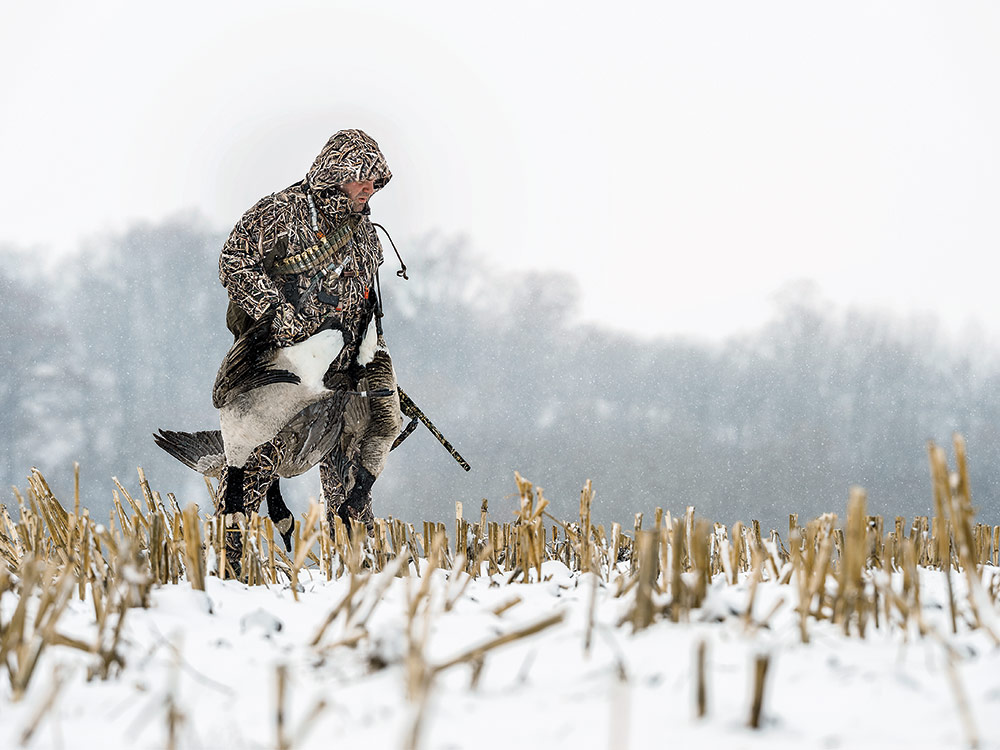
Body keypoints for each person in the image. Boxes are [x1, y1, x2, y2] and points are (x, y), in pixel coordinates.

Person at [216, 129, 402, 567]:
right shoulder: (283, 212)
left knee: (361, 450)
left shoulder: (367, 235)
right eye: (362, 179)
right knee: (257, 457)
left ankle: (356, 566)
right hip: (286, 361)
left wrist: (369, 356)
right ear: (338, 174)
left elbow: (366, 300)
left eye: (375, 182)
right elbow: (234, 258)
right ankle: (228, 558)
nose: (369, 189)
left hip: (343, 366)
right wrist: (278, 312)